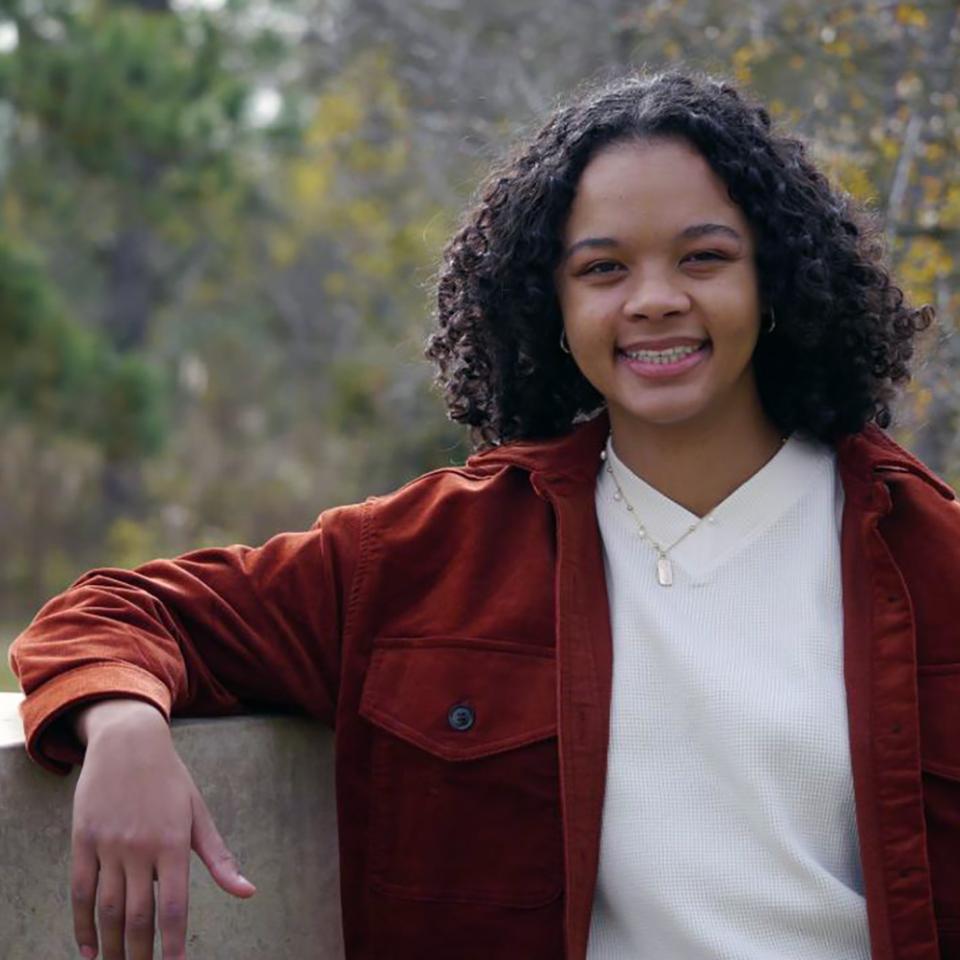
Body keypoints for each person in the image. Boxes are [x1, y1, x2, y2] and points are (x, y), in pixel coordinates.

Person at [10, 68, 958, 960]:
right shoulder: (432, 556)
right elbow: (120, 611)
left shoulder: (930, 557)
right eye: (602, 270)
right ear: (547, 304)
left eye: (704, 258)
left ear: (777, 280)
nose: (656, 300)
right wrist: (124, 726)